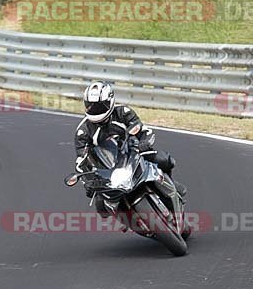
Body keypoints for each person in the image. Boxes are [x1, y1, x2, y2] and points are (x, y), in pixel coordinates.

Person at [73, 81, 186, 219]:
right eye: (90, 106)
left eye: (99, 105)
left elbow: (143, 130)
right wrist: (87, 182)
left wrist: (144, 143)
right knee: (101, 207)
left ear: (109, 101)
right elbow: (81, 161)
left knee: (163, 159)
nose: (95, 109)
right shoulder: (83, 132)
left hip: (133, 152)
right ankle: (127, 219)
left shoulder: (123, 112)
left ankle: (172, 183)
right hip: (108, 169)